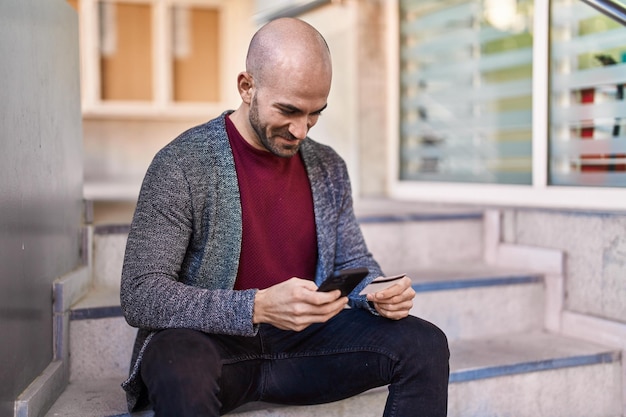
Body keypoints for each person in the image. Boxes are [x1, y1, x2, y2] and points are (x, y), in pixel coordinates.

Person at [120, 17, 449, 417]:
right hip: (213, 345)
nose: (301, 130)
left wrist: (377, 292)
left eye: (315, 114)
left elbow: (353, 263)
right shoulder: (182, 164)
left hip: (303, 345)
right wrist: (256, 307)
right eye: (289, 110)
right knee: (177, 363)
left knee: (425, 344)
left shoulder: (328, 166)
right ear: (247, 87)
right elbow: (141, 294)